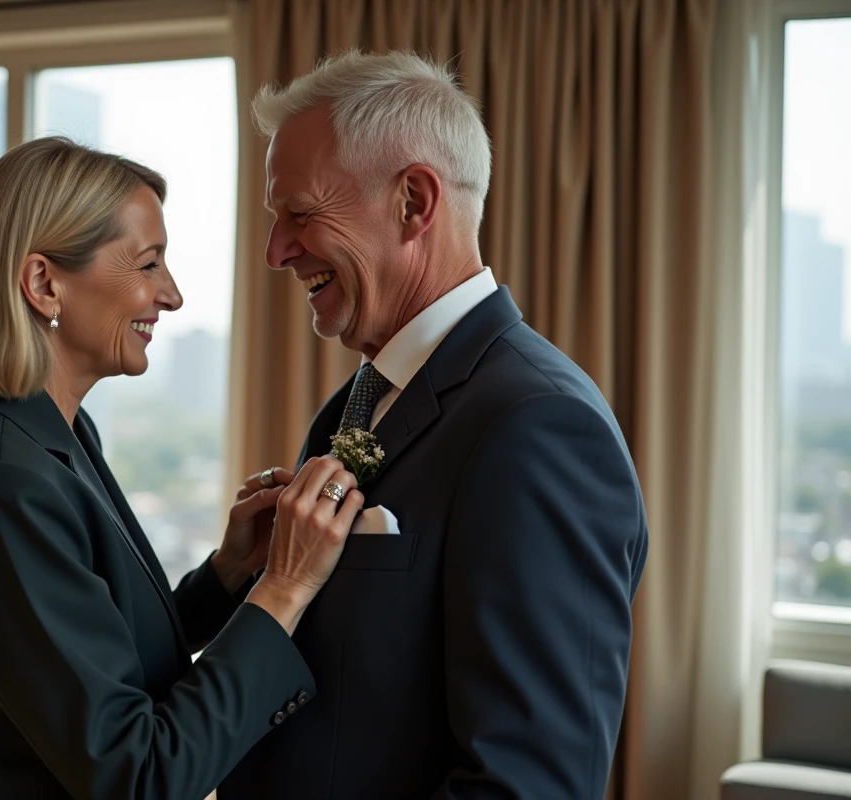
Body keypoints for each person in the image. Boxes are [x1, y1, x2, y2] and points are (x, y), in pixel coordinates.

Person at [220, 51, 649, 799]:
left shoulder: (540, 426)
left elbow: (527, 785)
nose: (276, 251)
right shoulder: (352, 405)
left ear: (413, 203)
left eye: (300, 213)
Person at [0, 136, 364, 798]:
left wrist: (229, 574)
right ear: (44, 284)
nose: (171, 295)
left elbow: (96, 657)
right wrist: (284, 587)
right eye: (148, 264)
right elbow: (137, 775)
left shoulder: (57, 432)